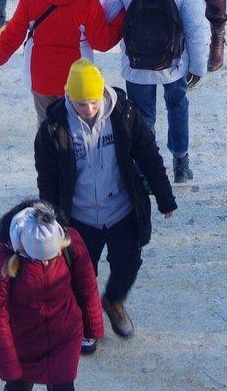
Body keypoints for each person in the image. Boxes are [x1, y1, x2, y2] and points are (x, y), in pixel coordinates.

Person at [35, 59, 176, 351]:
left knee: (128, 266)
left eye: (93, 102)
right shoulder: (53, 129)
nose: (88, 109)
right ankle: (85, 325)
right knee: (81, 276)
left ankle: (113, 301)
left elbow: (148, 153)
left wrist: (165, 197)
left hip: (121, 211)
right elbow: (47, 178)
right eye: (81, 104)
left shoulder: (123, 113)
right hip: (79, 216)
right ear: (68, 97)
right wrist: (52, 218)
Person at [0, 199, 104, 391]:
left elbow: (87, 285)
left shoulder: (72, 242)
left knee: (63, 387)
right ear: (22, 246)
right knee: (17, 383)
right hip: (22, 335)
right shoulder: (2, 259)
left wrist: (93, 328)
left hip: (64, 333)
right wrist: (7, 362)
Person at [103, 0, 209, 184]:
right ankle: (181, 163)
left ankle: (146, 171)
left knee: (142, 115)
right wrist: (197, 65)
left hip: (136, 66)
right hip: (173, 64)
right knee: (177, 105)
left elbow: (108, 16)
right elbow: (196, 27)